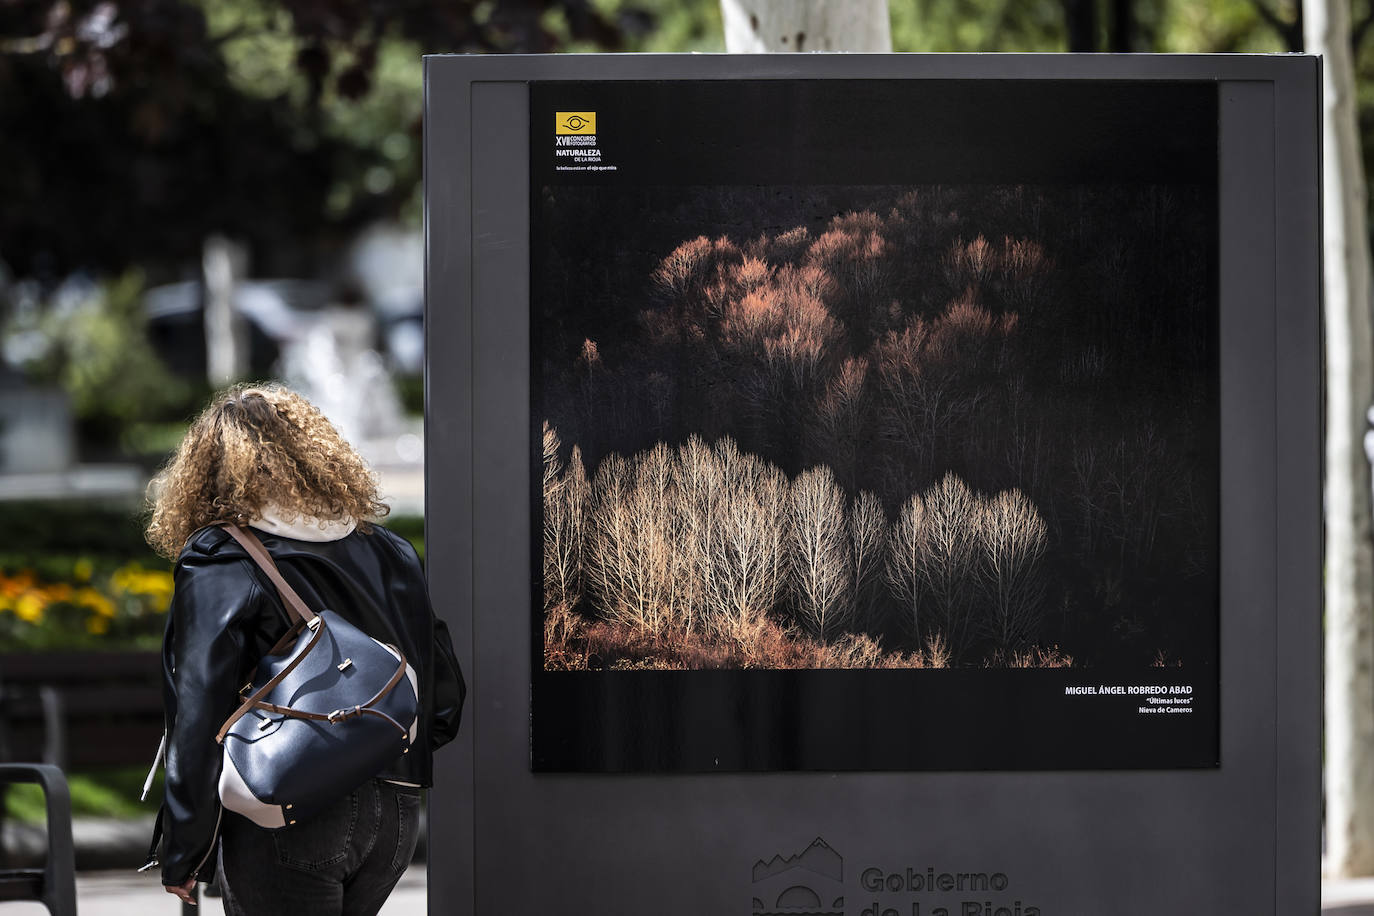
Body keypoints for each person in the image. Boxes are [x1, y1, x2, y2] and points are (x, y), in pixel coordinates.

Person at [141, 383, 464, 914]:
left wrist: (186, 847)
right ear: (318, 457)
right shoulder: (389, 550)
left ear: (208, 474)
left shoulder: (222, 555)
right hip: (395, 814)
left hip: (288, 808)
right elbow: (444, 696)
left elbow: (199, 708)